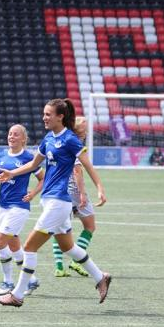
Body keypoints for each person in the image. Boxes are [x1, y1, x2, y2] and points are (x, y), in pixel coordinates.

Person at [0, 98, 111, 307]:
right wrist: (12, 172)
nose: (44, 117)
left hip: (59, 202)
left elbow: (87, 165)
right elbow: (33, 164)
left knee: (29, 247)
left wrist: (100, 188)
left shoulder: (70, 139)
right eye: (44, 114)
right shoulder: (48, 138)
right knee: (69, 247)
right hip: (49, 201)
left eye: (48, 114)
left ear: (60, 116)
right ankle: (100, 276)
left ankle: (17, 295)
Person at [0, 124, 44, 297]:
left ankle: (7, 282)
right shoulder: (0, 156)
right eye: (10, 134)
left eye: (16, 134)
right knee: (13, 245)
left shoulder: (28, 158)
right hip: (2, 206)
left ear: (23, 139)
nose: (11, 137)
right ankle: (31, 280)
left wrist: (33, 193)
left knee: (0, 242)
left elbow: (43, 179)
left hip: (19, 207)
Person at [52, 117, 99, 278]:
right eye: (84, 129)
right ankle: (75, 260)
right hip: (74, 193)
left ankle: (59, 266)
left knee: (59, 228)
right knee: (90, 226)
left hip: (61, 192)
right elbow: (77, 171)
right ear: (78, 129)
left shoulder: (63, 141)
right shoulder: (75, 144)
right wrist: (82, 194)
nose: (86, 132)